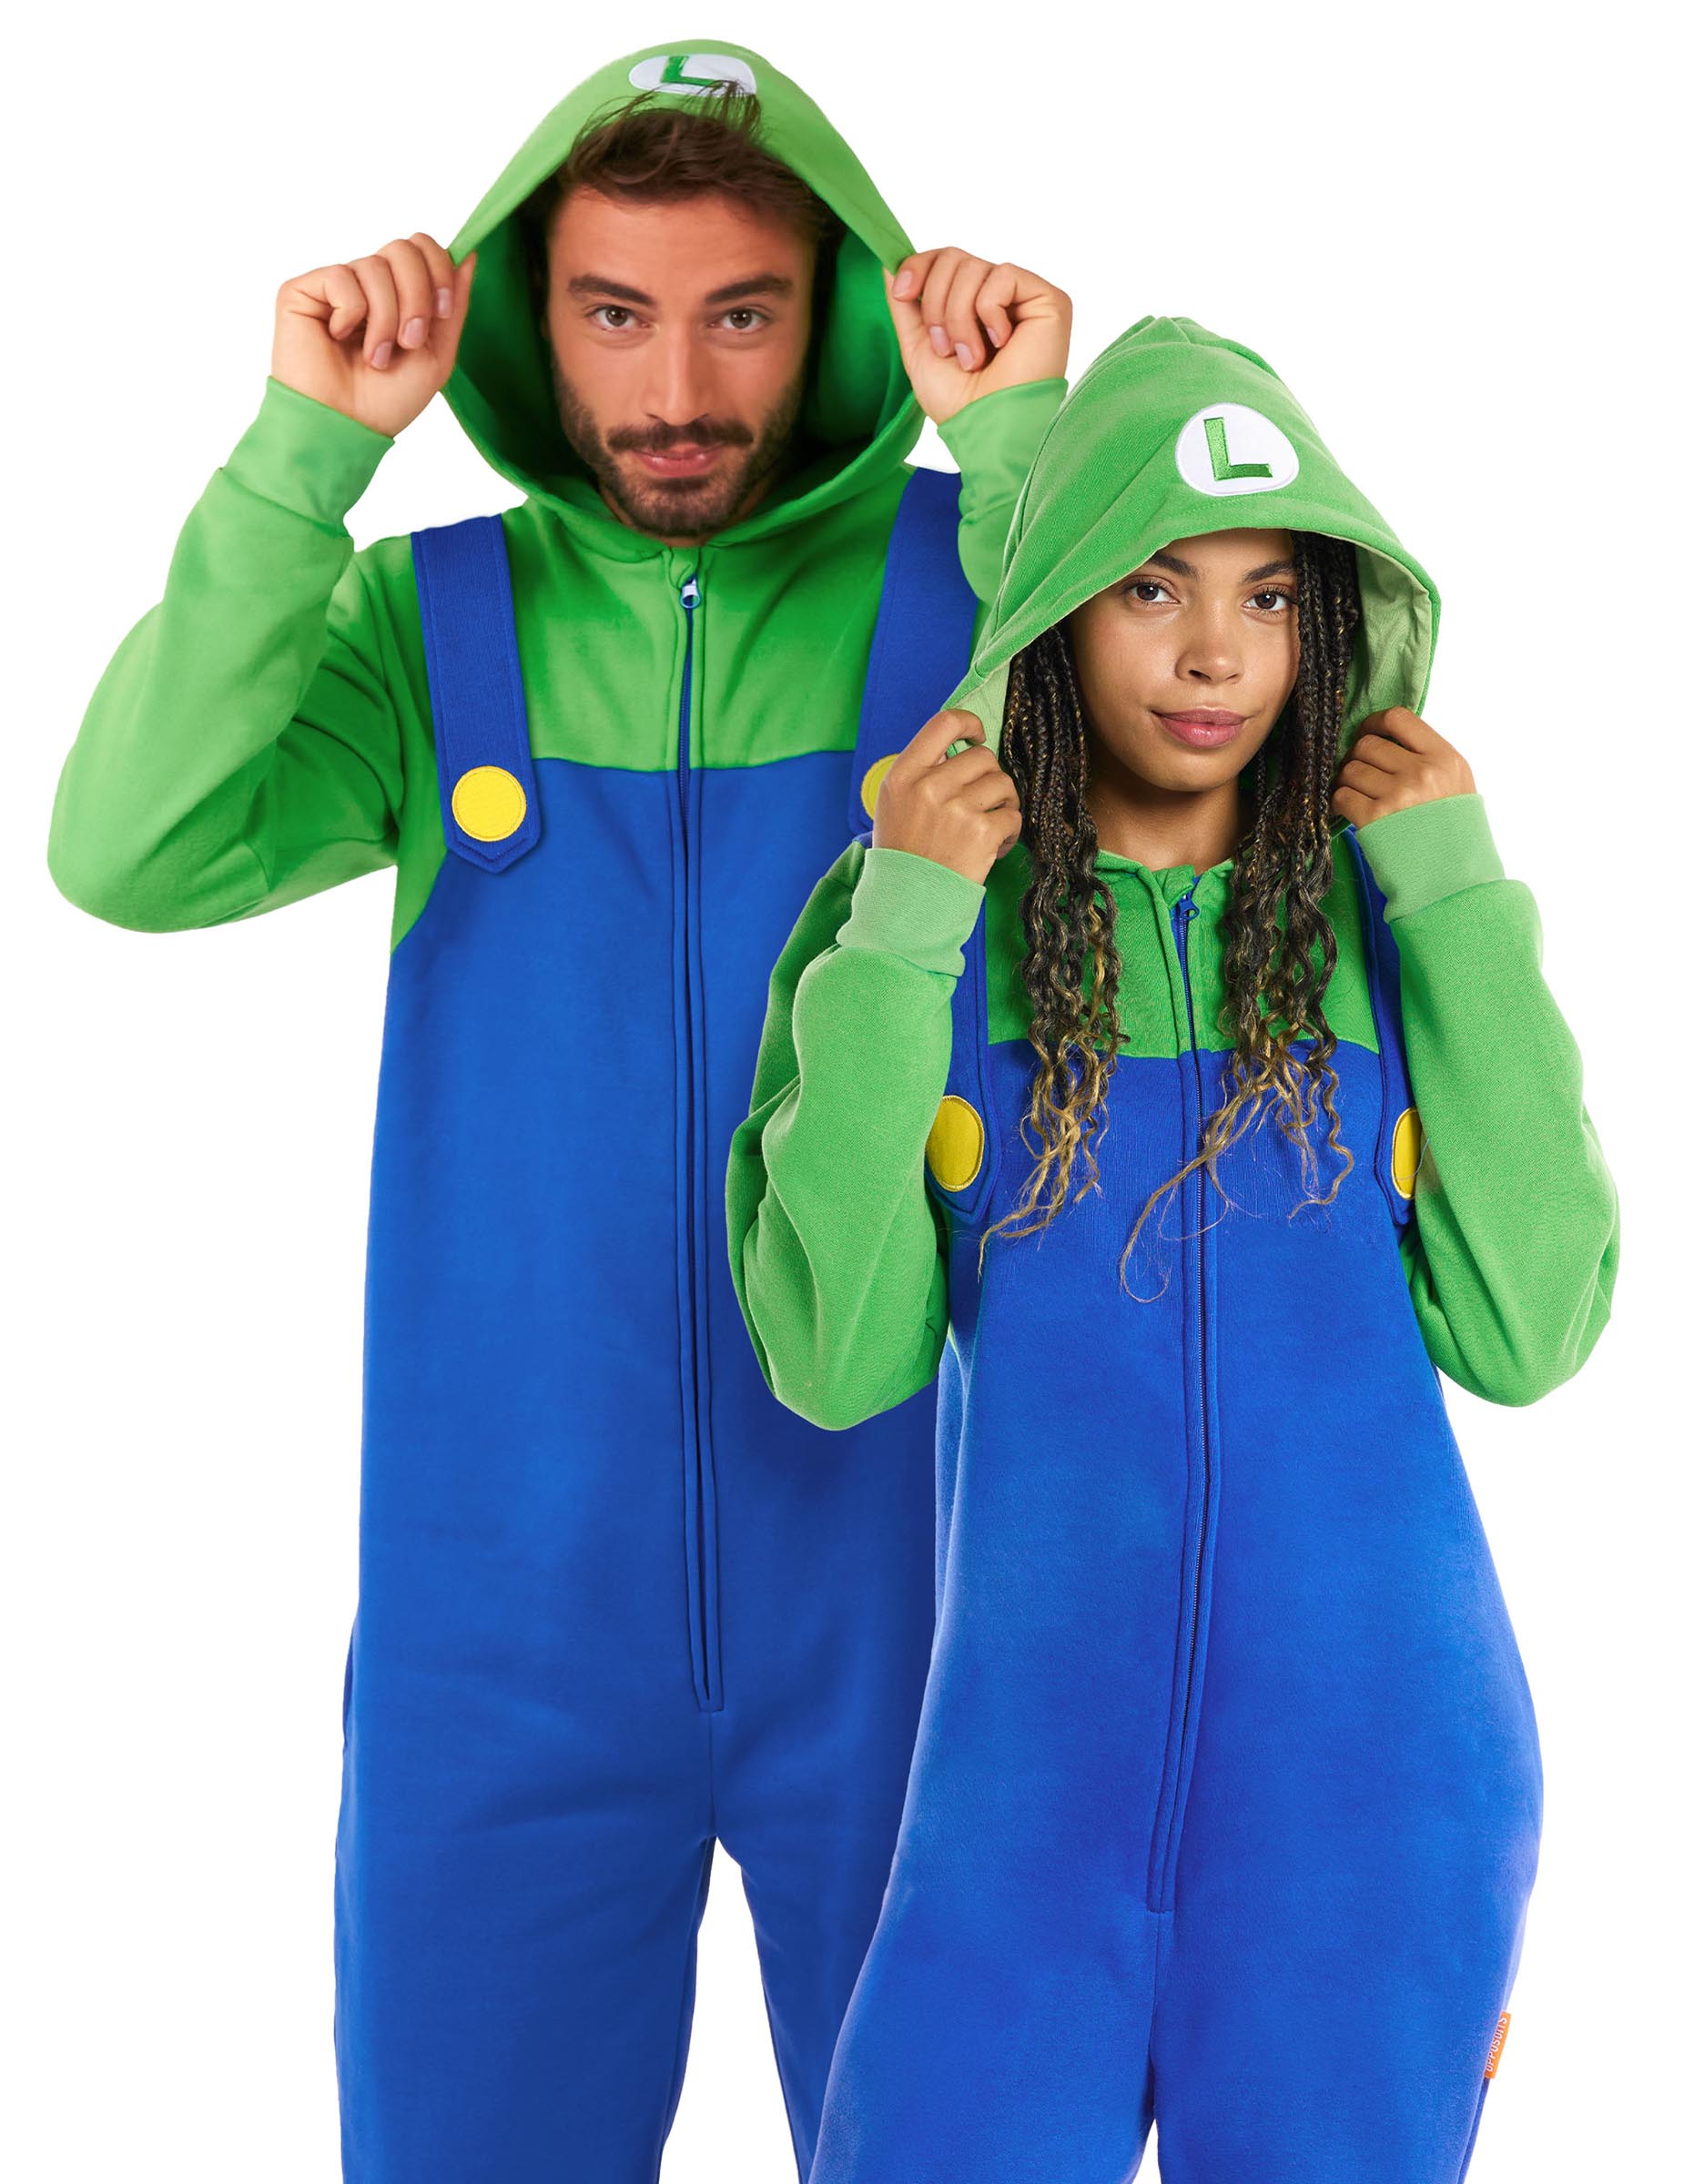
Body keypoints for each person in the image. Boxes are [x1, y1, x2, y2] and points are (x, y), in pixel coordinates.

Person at [46, 39, 1071, 2184]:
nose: (675, 388)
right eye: (614, 314)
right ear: (531, 323)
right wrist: (301, 457)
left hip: (929, 1595)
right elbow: (128, 850)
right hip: (501, 1622)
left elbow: (1233, 781)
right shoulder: (431, 626)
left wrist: (1034, 458)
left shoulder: (985, 587)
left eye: (740, 313)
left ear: (840, 311)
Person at [727, 314, 1618, 2182]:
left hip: (1375, 1802)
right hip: (1019, 1804)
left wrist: (1456, 896)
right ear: (1055, 615)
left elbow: (1530, 1328)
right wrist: (900, 926)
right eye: (1150, 588)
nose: (1216, 654)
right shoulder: (922, 925)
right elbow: (835, 1356)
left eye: (1269, 596)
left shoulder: (1385, 929)